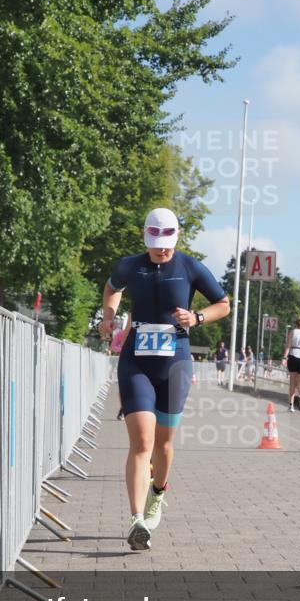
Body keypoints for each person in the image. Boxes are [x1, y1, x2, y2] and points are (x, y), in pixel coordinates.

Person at [99, 208, 230, 551]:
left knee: (163, 445)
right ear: (145, 238)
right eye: (155, 244)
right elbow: (112, 288)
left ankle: (158, 492)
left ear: (176, 238)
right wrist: (109, 316)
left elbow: (223, 304)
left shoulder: (190, 267)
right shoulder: (130, 265)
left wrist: (197, 317)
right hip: (136, 362)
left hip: (175, 365)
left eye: (166, 244)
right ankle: (137, 520)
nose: (161, 250)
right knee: (142, 443)